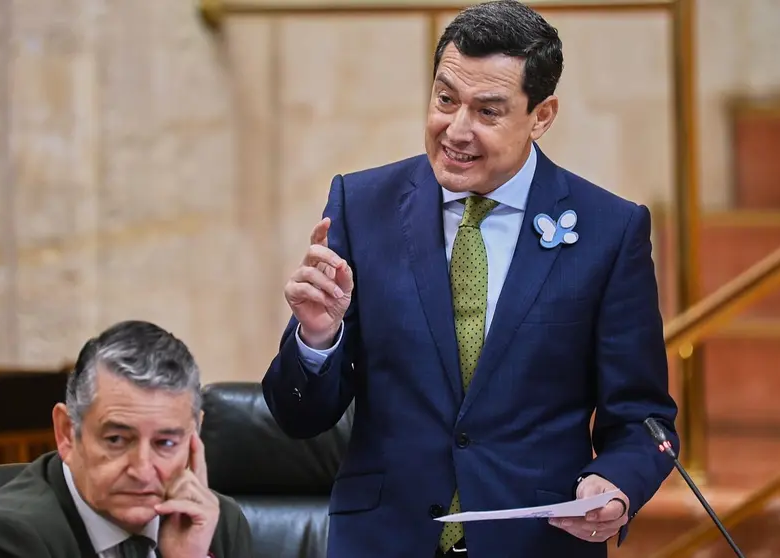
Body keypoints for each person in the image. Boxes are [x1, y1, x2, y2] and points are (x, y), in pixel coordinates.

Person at [262, 1, 680, 556]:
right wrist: (317, 339)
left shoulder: (610, 230)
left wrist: (619, 485)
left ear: (542, 114)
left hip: (534, 542)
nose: (456, 130)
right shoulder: (362, 207)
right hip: (384, 539)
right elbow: (298, 417)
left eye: (488, 111)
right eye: (445, 100)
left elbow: (643, 420)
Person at [0, 320, 252, 558]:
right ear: (66, 432)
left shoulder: (215, 524)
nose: (143, 470)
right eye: (117, 439)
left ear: (194, 436)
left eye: (165, 443)